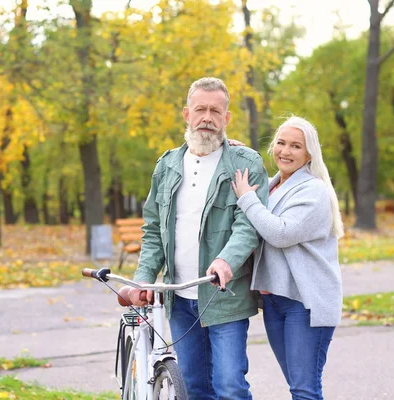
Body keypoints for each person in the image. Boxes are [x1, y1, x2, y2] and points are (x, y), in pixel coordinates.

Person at [124, 77, 269, 400]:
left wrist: (226, 260)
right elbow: (152, 231)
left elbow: (248, 226)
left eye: (215, 111)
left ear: (227, 118)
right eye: (200, 109)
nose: (207, 118)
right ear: (187, 114)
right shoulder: (167, 166)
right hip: (180, 298)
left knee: (230, 386)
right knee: (192, 387)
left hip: (225, 296)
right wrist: (143, 278)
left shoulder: (245, 164)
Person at [231, 116, 344, 400]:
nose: (286, 151)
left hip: (304, 302)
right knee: (297, 385)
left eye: (295, 146)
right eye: (281, 143)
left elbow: (281, 233)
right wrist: (235, 153)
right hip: (274, 299)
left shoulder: (313, 190)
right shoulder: (273, 185)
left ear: (308, 154)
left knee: (304, 389)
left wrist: (246, 198)